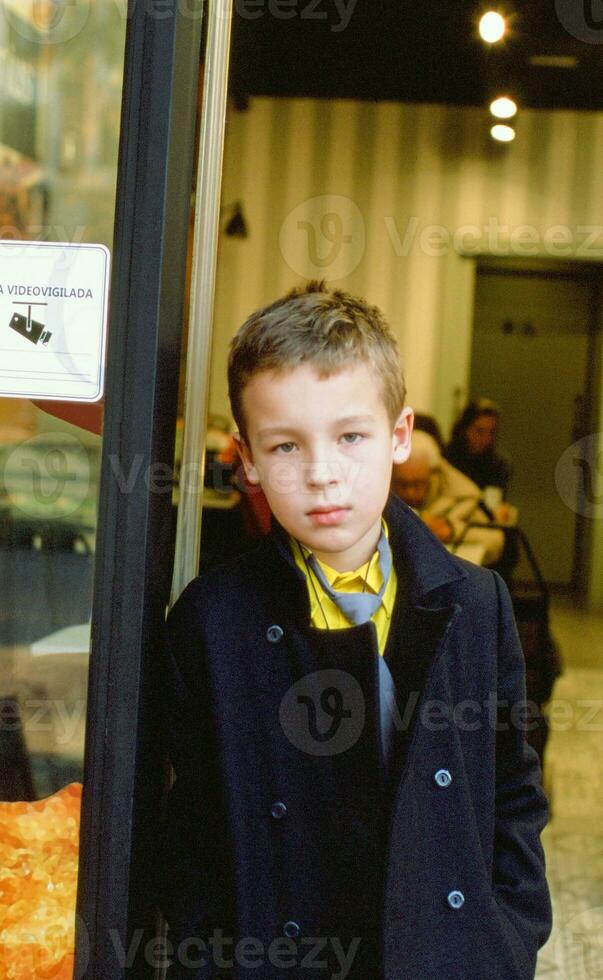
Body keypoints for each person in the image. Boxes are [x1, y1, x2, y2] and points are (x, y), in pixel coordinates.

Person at [157, 281, 550, 978]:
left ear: (398, 437)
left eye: (350, 436)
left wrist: (506, 937)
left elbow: (511, 788)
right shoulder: (211, 621)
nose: (321, 474)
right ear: (245, 457)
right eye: (283, 447)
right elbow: (186, 822)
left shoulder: (476, 603)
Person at [392, 429, 505, 567]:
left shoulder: (456, 496)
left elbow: (496, 540)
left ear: (431, 476)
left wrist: (450, 530)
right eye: (402, 484)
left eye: (417, 483)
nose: (410, 492)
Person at [444, 397, 513, 506]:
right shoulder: (446, 459)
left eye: (491, 432)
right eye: (479, 432)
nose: (486, 440)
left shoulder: (498, 466)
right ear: (465, 429)